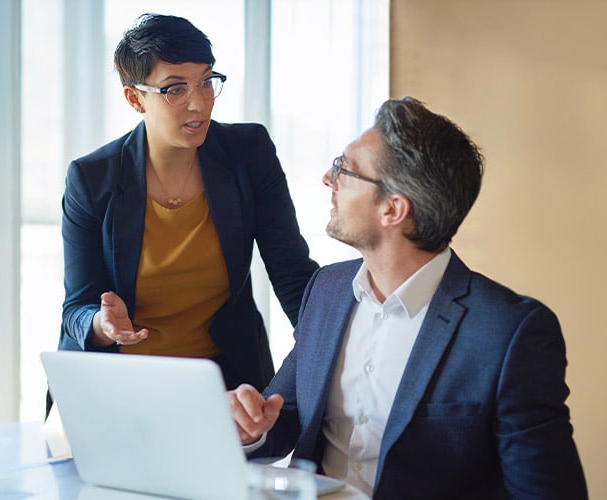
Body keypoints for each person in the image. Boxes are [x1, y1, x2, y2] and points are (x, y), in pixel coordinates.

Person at [228, 97, 588, 498]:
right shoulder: (325, 291)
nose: (329, 180)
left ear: (393, 209)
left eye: (345, 170)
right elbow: (287, 416)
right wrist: (250, 426)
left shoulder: (508, 333)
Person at [59, 13, 318, 392]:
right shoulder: (92, 178)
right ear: (135, 98)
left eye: (206, 82)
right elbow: (77, 308)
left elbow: (293, 275)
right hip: (117, 383)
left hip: (223, 381)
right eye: (175, 89)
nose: (198, 103)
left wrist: (336, 358)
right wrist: (104, 325)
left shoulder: (249, 153)